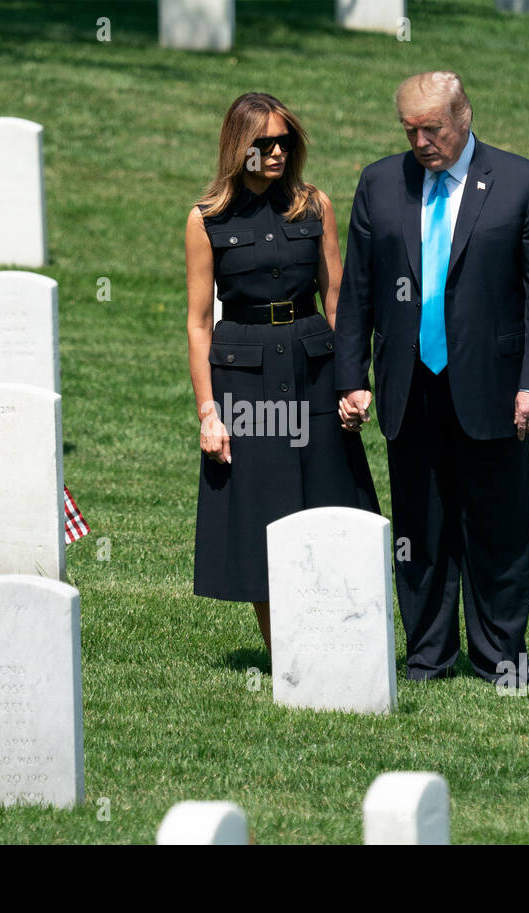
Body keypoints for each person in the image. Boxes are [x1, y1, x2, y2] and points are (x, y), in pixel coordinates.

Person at [335, 72, 529, 683]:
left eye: (431, 128)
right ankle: (428, 655)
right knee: (421, 530)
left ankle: (498, 657)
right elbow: (357, 291)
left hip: (493, 387)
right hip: (410, 386)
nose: (420, 142)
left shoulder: (520, 182)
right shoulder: (381, 184)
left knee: (497, 530)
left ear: (463, 116)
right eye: (409, 130)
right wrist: (350, 377)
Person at [187, 92, 381, 651]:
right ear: (238, 147)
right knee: (261, 508)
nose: (276, 152)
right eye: (263, 143)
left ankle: (347, 640)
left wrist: (353, 380)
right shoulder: (206, 220)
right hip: (244, 377)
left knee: (333, 499)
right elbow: (200, 324)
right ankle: (289, 653)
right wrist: (208, 412)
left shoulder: (313, 204)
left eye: (284, 141)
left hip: (313, 363)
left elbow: (338, 299)